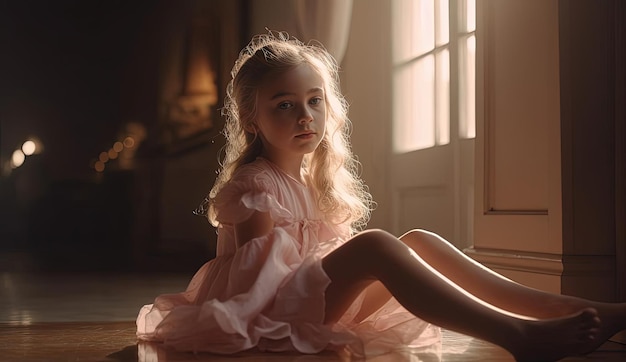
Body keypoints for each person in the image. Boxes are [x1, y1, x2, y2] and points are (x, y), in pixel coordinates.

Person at [136, 31, 626, 361]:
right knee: (375, 244)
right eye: (284, 106)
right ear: (251, 119)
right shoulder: (254, 186)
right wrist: (270, 329)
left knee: (420, 239)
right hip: (270, 308)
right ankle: (517, 335)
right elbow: (256, 284)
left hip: (310, 296)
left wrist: (330, 269)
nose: (304, 116)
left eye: (314, 101)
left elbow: (316, 263)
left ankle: (565, 308)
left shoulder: (309, 180)